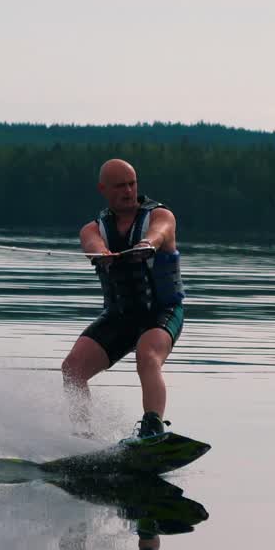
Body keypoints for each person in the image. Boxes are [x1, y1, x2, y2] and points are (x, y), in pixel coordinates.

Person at [61, 159, 185, 439]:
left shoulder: (160, 216)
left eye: (132, 184)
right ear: (103, 189)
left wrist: (147, 245)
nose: (128, 191)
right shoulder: (92, 229)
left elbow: (159, 234)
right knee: (72, 368)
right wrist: (101, 254)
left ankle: (152, 428)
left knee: (147, 354)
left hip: (161, 311)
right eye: (120, 186)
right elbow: (92, 245)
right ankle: (82, 437)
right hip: (121, 315)